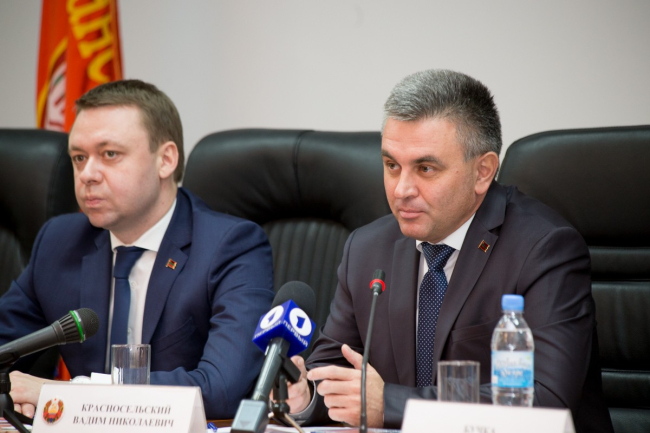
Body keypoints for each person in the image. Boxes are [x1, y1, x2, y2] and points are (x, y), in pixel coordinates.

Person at [282, 70, 613, 433]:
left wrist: (390, 404)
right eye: (392, 166)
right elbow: (334, 375)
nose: (401, 190)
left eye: (425, 168)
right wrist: (304, 394)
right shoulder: (367, 248)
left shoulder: (544, 248)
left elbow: (545, 400)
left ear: (482, 172)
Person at [0, 80, 275, 419]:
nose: (87, 174)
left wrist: (63, 394)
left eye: (109, 154)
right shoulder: (59, 241)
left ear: (166, 160)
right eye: (79, 157)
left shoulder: (231, 247)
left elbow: (221, 390)